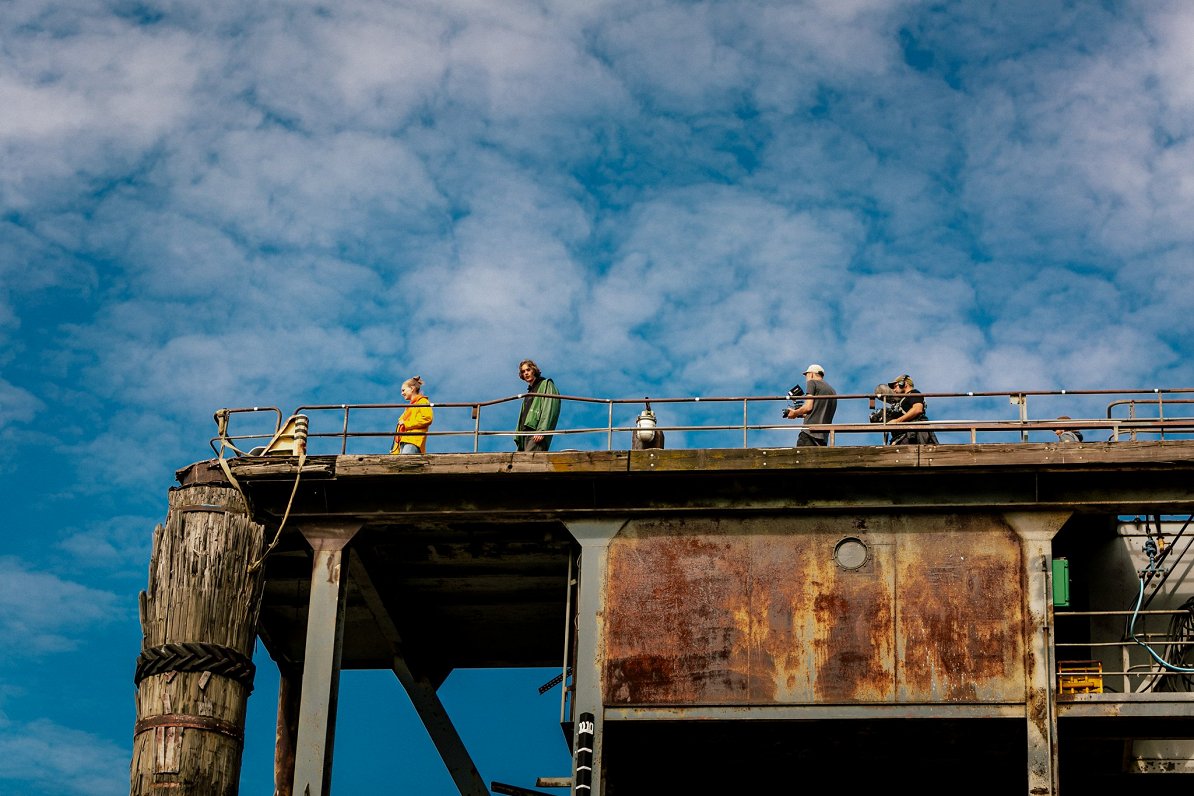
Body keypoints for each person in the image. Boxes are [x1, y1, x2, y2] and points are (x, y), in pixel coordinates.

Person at [782, 363, 838, 446]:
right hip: (823, 437)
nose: (806, 378)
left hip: (809, 433)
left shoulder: (812, 383)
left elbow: (808, 407)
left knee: (800, 458)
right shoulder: (832, 391)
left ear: (811, 374)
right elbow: (818, 411)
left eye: (806, 375)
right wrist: (800, 414)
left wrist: (795, 412)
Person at [515, 359, 560, 451]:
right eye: (523, 371)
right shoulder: (528, 393)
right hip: (525, 433)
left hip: (536, 433)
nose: (526, 373)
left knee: (528, 462)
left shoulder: (546, 384)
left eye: (528, 370)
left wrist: (542, 431)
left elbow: (550, 408)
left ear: (534, 370)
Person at [886, 374, 939, 446]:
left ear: (904, 383)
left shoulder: (914, 393)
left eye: (895, 386)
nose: (894, 390)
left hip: (915, 433)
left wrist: (896, 421)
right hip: (909, 433)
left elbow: (917, 409)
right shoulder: (904, 399)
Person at [390, 376, 433, 454]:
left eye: (403, 390)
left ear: (412, 388)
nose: (402, 393)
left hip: (413, 440)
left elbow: (427, 418)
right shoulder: (408, 408)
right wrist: (394, 452)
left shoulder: (423, 401)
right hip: (403, 442)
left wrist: (406, 424)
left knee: (405, 464)